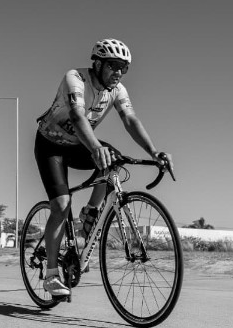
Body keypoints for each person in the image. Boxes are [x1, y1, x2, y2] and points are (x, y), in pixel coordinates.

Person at [34, 38, 172, 297]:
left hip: (78, 145)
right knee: (61, 205)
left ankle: (89, 216)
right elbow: (77, 116)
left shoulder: (118, 90)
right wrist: (96, 147)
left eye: (124, 68)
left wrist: (154, 152)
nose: (118, 72)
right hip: (51, 145)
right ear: (97, 64)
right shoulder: (75, 78)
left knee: (114, 161)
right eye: (113, 65)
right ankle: (51, 275)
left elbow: (130, 119)